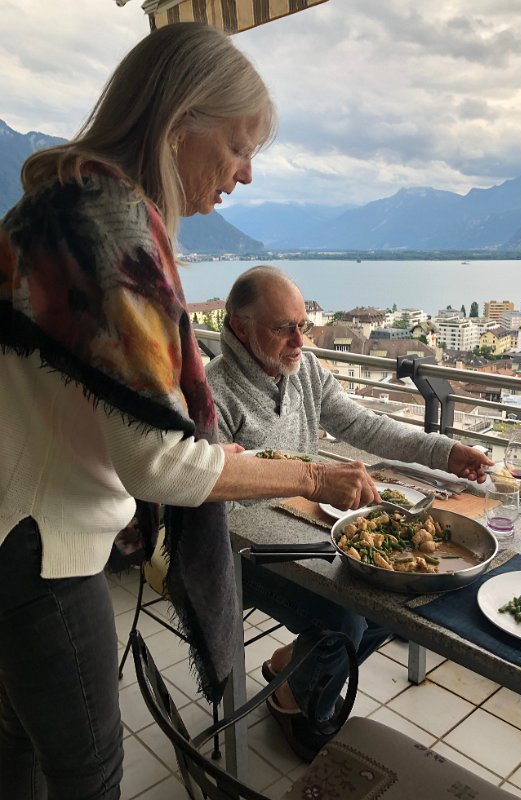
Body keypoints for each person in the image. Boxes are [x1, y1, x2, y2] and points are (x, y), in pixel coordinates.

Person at [0, 24, 379, 800]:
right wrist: (311, 476)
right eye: (238, 147)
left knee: (15, 744)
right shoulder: (115, 229)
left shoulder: (50, 206)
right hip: (44, 550)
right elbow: (159, 463)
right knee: (87, 772)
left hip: (11, 526)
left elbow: (68, 396)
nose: (245, 174)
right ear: (179, 123)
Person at [205, 265, 493, 760]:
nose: (299, 341)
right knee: (346, 616)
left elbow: (366, 426)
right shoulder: (212, 394)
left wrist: (444, 452)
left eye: (302, 325)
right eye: (283, 328)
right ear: (239, 327)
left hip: (306, 535)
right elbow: (214, 507)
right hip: (239, 555)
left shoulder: (305, 371)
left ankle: (292, 672)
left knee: (405, 598)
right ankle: (297, 703)